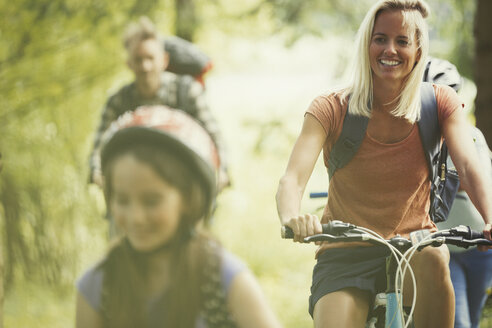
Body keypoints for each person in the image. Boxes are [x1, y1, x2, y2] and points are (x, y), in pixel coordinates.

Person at [275, 1, 492, 327]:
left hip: (414, 249)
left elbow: (468, 166)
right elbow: (292, 179)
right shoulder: (330, 108)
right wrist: (292, 216)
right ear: (367, 43)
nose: (389, 49)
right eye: (380, 38)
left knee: (434, 256)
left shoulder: (441, 103)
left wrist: (490, 218)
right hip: (344, 252)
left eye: (402, 41)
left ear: (418, 50)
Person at [76, 105, 282, 328]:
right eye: (122, 200)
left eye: (151, 201)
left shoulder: (223, 280)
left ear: (189, 200)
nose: (135, 217)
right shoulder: (99, 286)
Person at [88, 16, 230, 190]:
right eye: (138, 59)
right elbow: (100, 145)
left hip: (187, 186)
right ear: (129, 64)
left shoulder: (187, 92)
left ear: (164, 60)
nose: (145, 66)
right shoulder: (118, 102)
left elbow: (214, 134)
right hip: (135, 187)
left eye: (150, 58)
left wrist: (223, 171)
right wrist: (97, 173)